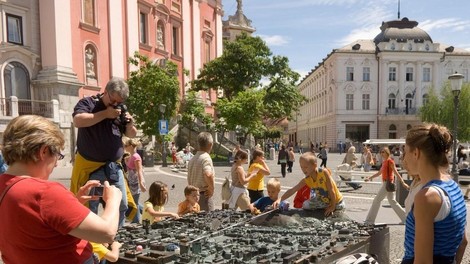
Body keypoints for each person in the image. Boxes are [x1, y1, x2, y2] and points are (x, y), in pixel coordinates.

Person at [0, 115, 122, 263]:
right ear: (43, 151)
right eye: (58, 155)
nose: (56, 164)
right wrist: (113, 200)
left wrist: (72, 204)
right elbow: (106, 233)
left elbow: (35, 224)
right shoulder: (45, 192)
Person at [70, 77, 138, 228]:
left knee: (121, 203)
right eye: (113, 101)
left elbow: (132, 134)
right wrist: (105, 114)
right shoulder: (88, 103)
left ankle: (114, 236)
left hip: (113, 168)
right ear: (105, 92)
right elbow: (78, 120)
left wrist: (130, 125)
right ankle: (92, 243)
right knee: (90, 207)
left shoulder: (119, 109)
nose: (116, 105)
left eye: (119, 102)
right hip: (92, 169)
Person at [402, 123, 467, 264]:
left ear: (416, 153)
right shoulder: (453, 187)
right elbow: (463, 242)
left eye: (405, 152)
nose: (404, 159)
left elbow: (423, 262)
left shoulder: (426, 197)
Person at [274, 152, 345, 217]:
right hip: (324, 201)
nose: (303, 170)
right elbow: (293, 190)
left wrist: (332, 206)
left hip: (336, 201)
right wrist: (279, 199)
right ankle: (323, 208)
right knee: (305, 205)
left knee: (336, 206)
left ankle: (333, 207)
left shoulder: (323, 173)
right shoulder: (307, 179)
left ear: (315, 165)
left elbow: (331, 189)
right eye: (301, 167)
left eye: (306, 167)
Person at [364, 147, 406, 224]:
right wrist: (370, 178)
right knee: (393, 201)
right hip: (387, 183)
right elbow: (379, 173)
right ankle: (406, 219)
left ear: (387, 152)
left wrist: (402, 182)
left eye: (383, 152)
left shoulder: (390, 161)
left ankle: (370, 221)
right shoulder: (384, 162)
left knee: (376, 200)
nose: (381, 153)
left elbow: (396, 172)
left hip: (388, 183)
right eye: (381, 152)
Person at [187, 132, 215, 211]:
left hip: (192, 196)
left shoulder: (193, 159)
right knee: (209, 220)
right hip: (203, 195)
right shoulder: (206, 157)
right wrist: (211, 188)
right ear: (210, 144)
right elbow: (208, 174)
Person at [124, 138, 147, 223]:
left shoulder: (136, 157)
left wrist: (141, 182)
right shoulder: (132, 156)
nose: (125, 147)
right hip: (131, 182)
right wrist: (127, 161)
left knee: (134, 203)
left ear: (130, 146)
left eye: (126, 145)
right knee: (134, 201)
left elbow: (139, 170)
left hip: (135, 183)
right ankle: (150, 213)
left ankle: (136, 222)